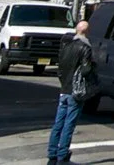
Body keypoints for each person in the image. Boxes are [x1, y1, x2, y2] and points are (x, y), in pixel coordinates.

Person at [47, 17, 93, 165]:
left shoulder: (66, 46)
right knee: (69, 124)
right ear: (87, 32)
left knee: (58, 122)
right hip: (75, 91)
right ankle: (62, 154)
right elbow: (86, 70)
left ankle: (52, 152)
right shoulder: (85, 48)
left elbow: (60, 69)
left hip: (64, 89)